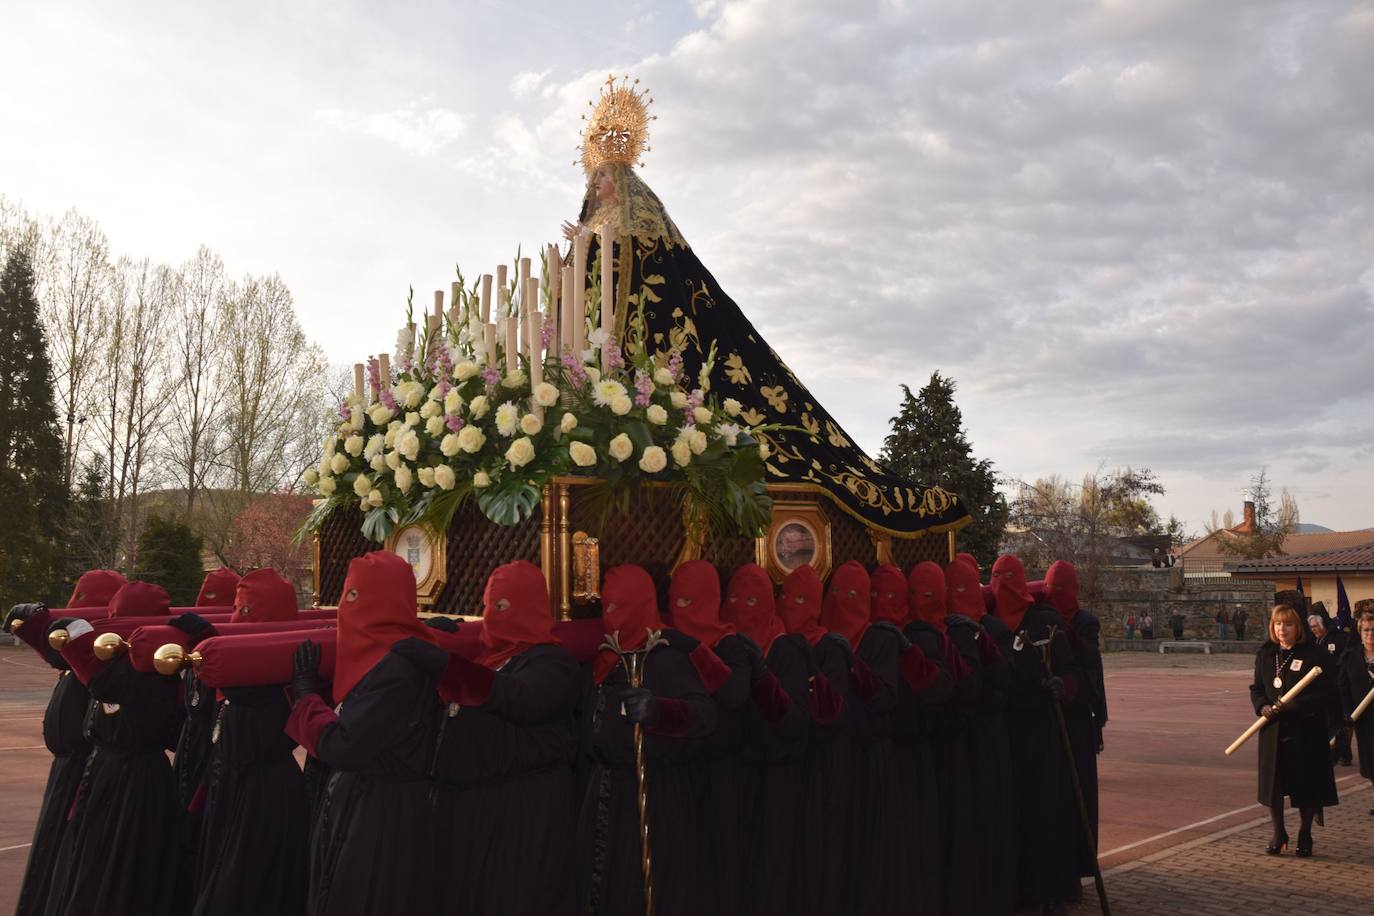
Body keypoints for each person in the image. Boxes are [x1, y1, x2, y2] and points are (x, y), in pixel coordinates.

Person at [284, 551, 447, 916]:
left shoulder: (399, 668)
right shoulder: (383, 658)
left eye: (356, 596)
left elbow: (347, 745)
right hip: (359, 807)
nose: (346, 606)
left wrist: (307, 697)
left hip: (381, 819)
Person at [432, 560, 581, 916]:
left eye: (502, 606)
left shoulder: (554, 663)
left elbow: (521, 698)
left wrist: (444, 666)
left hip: (524, 818)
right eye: (488, 606)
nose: (492, 616)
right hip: (475, 815)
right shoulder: (488, 658)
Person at [573, 564, 719, 916]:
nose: (611, 617)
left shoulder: (666, 658)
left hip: (653, 798)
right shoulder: (604, 661)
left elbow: (704, 715)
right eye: (606, 607)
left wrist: (659, 711)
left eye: (620, 607)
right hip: (604, 797)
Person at [46, 581, 183, 916]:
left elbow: (103, 684)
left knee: (113, 869)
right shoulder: (149, 669)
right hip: (117, 775)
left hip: (131, 781)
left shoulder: (144, 672)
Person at [2, 568, 125, 916]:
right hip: (67, 773)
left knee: (70, 865)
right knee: (52, 859)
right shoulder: (79, 656)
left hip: (84, 775)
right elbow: (61, 653)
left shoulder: (103, 659)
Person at [191, 568, 309, 916]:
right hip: (229, 788)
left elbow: (251, 700)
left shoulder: (279, 665)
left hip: (264, 798)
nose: (236, 619)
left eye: (245, 611)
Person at [990, 554, 1083, 913]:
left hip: (1042, 734)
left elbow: (1073, 670)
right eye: (996, 576)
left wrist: (1065, 685)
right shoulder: (989, 623)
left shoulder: (1045, 622)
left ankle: (1047, 888)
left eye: (1007, 577)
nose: (1001, 584)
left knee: (1044, 812)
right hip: (1006, 734)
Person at [721, 563, 810, 916]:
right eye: (735, 599)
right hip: (732, 780)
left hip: (777, 782)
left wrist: (760, 677)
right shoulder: (723, 644)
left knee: (772, 874)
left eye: (752, 600)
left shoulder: (786, 648)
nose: (743, 607)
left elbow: (795, 721)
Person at [665, 560, 752, 916]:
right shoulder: (666, 642)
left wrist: (693, 648)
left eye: (689, 601)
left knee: (720, 866)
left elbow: (735, 693)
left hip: (722, 775)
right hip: (678, 777)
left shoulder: (731, 644)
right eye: (675, 601)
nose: (679, 609)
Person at [823, 560, 902, 916]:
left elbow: (885, 699)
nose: (843, 602)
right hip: (836, 762)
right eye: (836, 594)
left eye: (852, 595)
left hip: (870, 760)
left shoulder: (880, 638)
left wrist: (855, 666)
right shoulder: (821, 639)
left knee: (869, 849)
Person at [944, 556, 1015, 916]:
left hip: (980, 738)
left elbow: (1004, 683)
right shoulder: (946, 628)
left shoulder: (989, 630)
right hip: (967, 741)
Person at [778, 565, 850, 916]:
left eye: (803, 600)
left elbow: (832, 712)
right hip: (790, 770)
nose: (794, 606)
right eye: (788, 598)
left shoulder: (828, 648)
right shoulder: (777, 643)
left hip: (823, 765)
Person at [1249, 604, 1339, 857]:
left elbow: (1327, 694)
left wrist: (1297, 705)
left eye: (1287, 624)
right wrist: (1263, 706)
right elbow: (1257, 688)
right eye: (1278, 624)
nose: (1282, 629)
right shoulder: (1266, 654)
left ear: (1297, 627)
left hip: (1305, 730)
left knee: (1306, 785)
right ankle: (1279, 833)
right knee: (1274, 786)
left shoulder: (1314, 655)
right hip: (1273, 731)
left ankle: (1304, 833)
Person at [1045, 560, 1105, 880]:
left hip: (1077, 719)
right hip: (1049, 721)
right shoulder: (1042, 620)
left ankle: (1079, 864)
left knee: (1078, 792)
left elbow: (1088, 669)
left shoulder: (1085, 623)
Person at [1337, 615, 1374, 814]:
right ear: (1359, 633)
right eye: (1366, 630)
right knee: (1371, 760)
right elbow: (1343, 686)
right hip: (1364, 718)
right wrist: (1347, 712)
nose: (1371, 634)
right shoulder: (1351, 657)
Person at [1309, 614, 1353, 766]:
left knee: (1340, 723)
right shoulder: (1316, 640)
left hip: (1338, 687)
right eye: (1311, 627)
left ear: (1323, 625)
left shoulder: (1338, 639)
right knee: (1328, 723)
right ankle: (1333, 752)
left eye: (1315, 626)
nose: (1313, 630)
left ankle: (1344, 754)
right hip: (1323, 688)